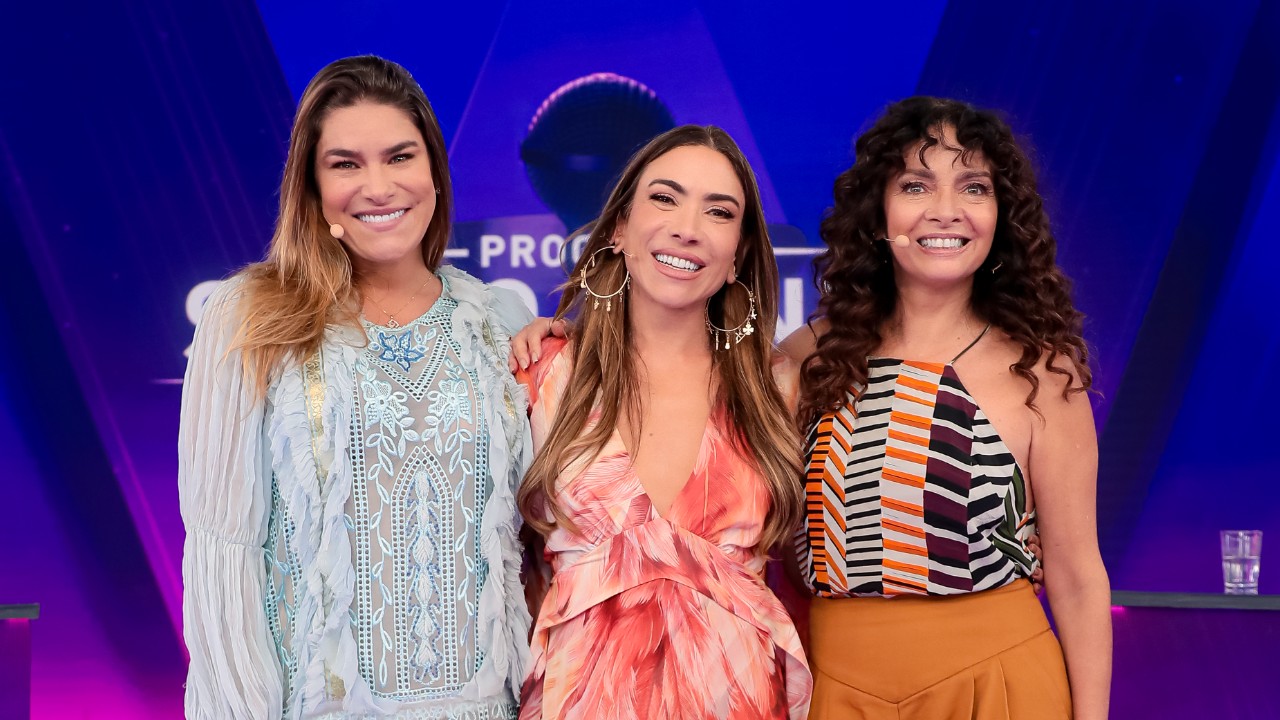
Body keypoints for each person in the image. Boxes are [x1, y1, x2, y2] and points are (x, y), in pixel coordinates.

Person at [179, 56, 533, 719]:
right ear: (312, 185)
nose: (377, 185)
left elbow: (534, 541)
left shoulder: (494, 320)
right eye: (345, 164)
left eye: (400, 156)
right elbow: (222, 554)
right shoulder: (252, 314)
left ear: (433, 173)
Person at [784, 96, 1110, 719]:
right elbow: (681, 373)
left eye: (974, 187)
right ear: (878, 212)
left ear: (1001, 215)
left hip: (999, 686)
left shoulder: (1042, 372)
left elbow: (1076, 576)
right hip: (834, 688)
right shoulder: (808, 354)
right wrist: (570, 334)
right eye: (915, 184)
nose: (946, 211)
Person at [513, 125, 811, 719]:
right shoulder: (543, 375)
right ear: (620, 228)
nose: (688, 227)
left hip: (739, 698)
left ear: (738, 256)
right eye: (665, 197)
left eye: (719, 212)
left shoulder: (779, 388)